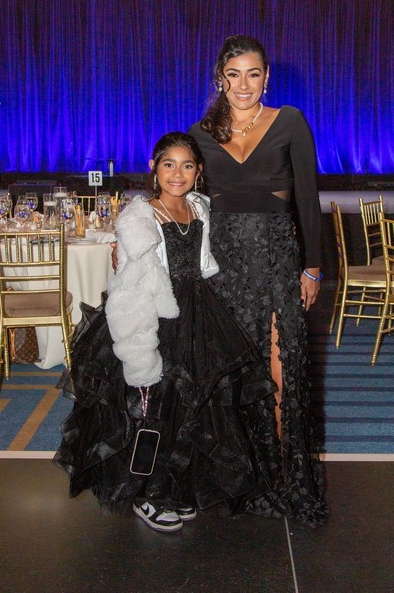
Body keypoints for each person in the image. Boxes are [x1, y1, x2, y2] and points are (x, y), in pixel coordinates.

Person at [54, 132, 274, 533]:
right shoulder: (140, 218)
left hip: (198, 312)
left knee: (189, 407)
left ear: (198, 171)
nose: (177, 173)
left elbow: (205, 262)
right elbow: (130, 286)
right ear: (154, 168)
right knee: (153, 405)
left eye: (187, 165)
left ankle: (172, 485)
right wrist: (138, 345)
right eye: (168, 164)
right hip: (155, 316)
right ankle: (147, 492)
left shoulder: (199, 207)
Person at [188, 35, 329, 527]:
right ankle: (240, 476)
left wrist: (312, 267)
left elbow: (308, 198)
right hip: (223, 268)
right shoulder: (201, 133)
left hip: (275, 263)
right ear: (220, 79)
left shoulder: (290, 121)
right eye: (234, 75)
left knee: (280, 372)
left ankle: (284, 478)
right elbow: (185, 198)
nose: (243, 84)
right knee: (232, 378)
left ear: (267, 77)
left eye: (253, 74)